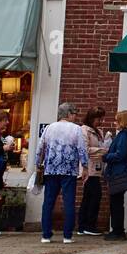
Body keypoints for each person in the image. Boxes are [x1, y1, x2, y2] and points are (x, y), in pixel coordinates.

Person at [36, 102, 89, 244]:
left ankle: (46, 235)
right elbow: (82, 149)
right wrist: (85, 167)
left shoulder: (49, 128)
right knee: (69, 202)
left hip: (51, 169)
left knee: (48, 202)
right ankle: (67, 235)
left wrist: (38, 165)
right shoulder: (76, 129)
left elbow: (40, 148)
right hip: (69, 170)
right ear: (69, 114)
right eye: (74, 114)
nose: (75, 117)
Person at [102, 110, 127, 241]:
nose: (115, 123)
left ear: (123, 122)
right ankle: (118, 230)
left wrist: (105, 156)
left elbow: (120, 154)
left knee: (116, 203)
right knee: (117, 202)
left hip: (119, 173)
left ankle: (117, 231)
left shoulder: (123, 135)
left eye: (117, 120)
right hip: (123, 172)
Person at [77, 107, 108, 236]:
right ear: (91, 118)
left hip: (96, 168)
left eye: (101, 118)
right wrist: (102, 150)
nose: (100, 121)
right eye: (98, 119)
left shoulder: (98, 131)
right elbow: (84, 149)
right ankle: (89, 225)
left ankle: (83, 226)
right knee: (95, 195)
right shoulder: (84, 130)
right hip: (88, 169)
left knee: (88, 197)